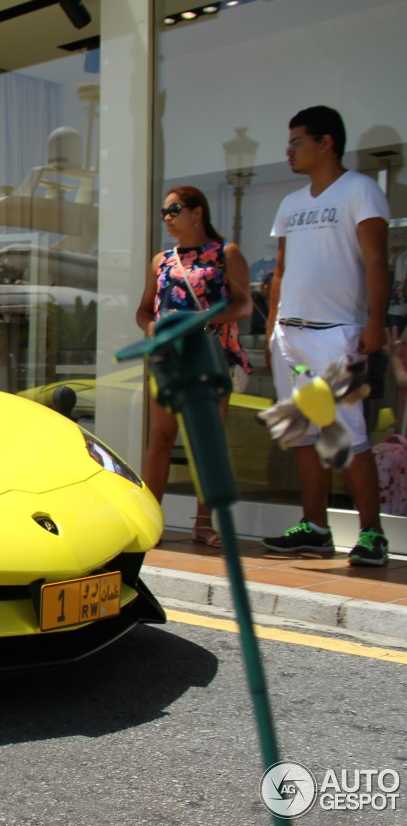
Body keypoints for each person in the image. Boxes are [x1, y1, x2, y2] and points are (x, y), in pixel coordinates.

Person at [261, 105, 392, 567]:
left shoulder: (361, 190)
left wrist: (375, 323)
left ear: (326, 143)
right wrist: (272, 325)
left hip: (339, 333)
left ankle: (372, 533)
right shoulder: (291, 204)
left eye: (297, 141)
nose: (289, 150)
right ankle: (314, 528)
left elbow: (378, 260)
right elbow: (280, 269)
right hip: (290, 336)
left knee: (348, 434)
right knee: (302, 432)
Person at [135, 185, 252, 547]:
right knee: (159, 439)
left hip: (209, 356)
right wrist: (153, 327)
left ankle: (203, 523)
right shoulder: (162, 260)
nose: (167, 218)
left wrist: (201, 320)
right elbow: (143, 310)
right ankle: (151, 521)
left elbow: (244, 306)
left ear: (197, 212)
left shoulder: (224, 253)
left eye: (175, 210)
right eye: (164, 213)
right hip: (169, 357)